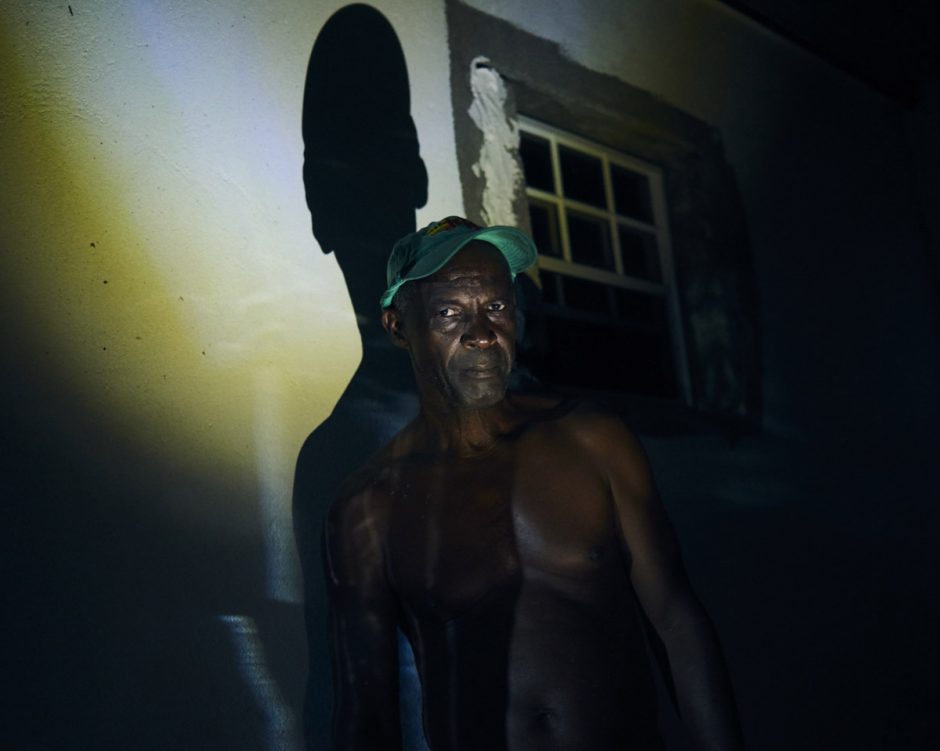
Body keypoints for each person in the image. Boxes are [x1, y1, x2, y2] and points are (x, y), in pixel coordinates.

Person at [323, 216, 743, 750]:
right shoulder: (369, 504)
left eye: (496, 306)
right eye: (450, 312)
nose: (480, 333)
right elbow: (365, 709)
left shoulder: (592, 440)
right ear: (399, 327)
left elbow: (677, 623)